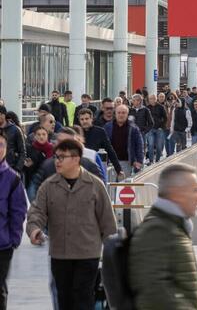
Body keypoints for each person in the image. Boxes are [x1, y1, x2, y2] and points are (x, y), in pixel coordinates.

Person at [26, 139, 117, 310]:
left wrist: (112, 253)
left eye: (62, 157)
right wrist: (34, 230)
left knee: (83, 298)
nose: (57, 161)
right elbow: (36, 212)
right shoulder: (49, 186)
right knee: (64, 299)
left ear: (76, 159)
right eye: (56, 157)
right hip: (60, 254)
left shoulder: (94, 185)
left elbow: (107, 220)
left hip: (87, 255)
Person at [129, 164, 197, 310]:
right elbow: (152, 293)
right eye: (195, 190)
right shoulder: (156, 230)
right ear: (177, 194)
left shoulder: (173, 228)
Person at [0, 133, 27, 310]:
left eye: (1, 145)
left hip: (2, 245)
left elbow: (18, 213)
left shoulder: (12, 179)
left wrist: (14, 241)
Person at [78, 109, 123, 178]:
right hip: (79, 169)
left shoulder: (100, 132)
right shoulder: (76, 133)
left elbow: (110, 150)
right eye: (82, 119)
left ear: (91, 119)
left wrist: (118, 169)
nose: (84, 121)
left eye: (87, 119)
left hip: (96, 168)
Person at [104, 104, 144, 177]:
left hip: (126, 162)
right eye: (119, 113)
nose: (121, 115)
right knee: (110, 186)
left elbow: (139, 145)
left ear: (127, 114)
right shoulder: (108, 127)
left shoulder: (133, 128)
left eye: (123, 113)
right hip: (110, 163)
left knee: (123, 186)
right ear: (115, 114)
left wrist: (139, 161)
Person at [24, 126, 53, 201]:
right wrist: (28, 165)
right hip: (34, 178)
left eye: (44, 134)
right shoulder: (29, 148)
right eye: (38, 134)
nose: (41, 137)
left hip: (49, 177)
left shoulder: (52, 148)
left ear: (47, 135)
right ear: (35, 136)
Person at [0, 106, 25, 175]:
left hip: (11, 169)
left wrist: (17, 169)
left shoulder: (15, 130)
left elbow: (22, 152)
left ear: (3, 115)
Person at [146, 94, 167, 164]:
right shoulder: (147, 108)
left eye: (153, 98)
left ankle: (157, 160)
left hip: (159, 129)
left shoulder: (161, 107)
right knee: (151, 145)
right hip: (150, 129)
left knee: (159, 146)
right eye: (150, 99)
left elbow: (165, 118)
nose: (152, 100)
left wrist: (162, 126)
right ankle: (151, 160)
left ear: (156, 99)